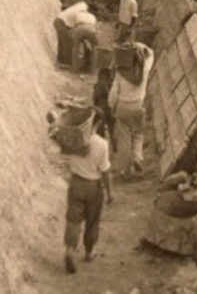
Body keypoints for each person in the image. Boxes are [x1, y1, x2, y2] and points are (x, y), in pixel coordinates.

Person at [62, 116, 112, 274]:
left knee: (73, 220)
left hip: (76, 183)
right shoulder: (102, 144)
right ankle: (89, 252)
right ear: (97, 123)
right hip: (93, 187)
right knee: (92, 220)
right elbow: (105, 171)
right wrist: (109, 192)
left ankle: (70, 249)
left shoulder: (74, 139)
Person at [108, 41, 154, 178]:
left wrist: (111, 106)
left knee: (124, 137)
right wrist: (138, 46)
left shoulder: (120, 74)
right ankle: (137, 158)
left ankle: (124, 170)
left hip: (122, 107)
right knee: (138, 134)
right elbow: (151, 53)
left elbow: (113, 94)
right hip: (138, 106)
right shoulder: (144, 70)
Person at [54, 2, 98, 70]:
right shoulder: (82, 12)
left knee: (65, 42)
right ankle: (66, 63)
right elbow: (78, 26)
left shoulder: (80, 7)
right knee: (66, 42)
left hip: (61, 21)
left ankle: (66, 62)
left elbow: (78, 28)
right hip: (61, 22)